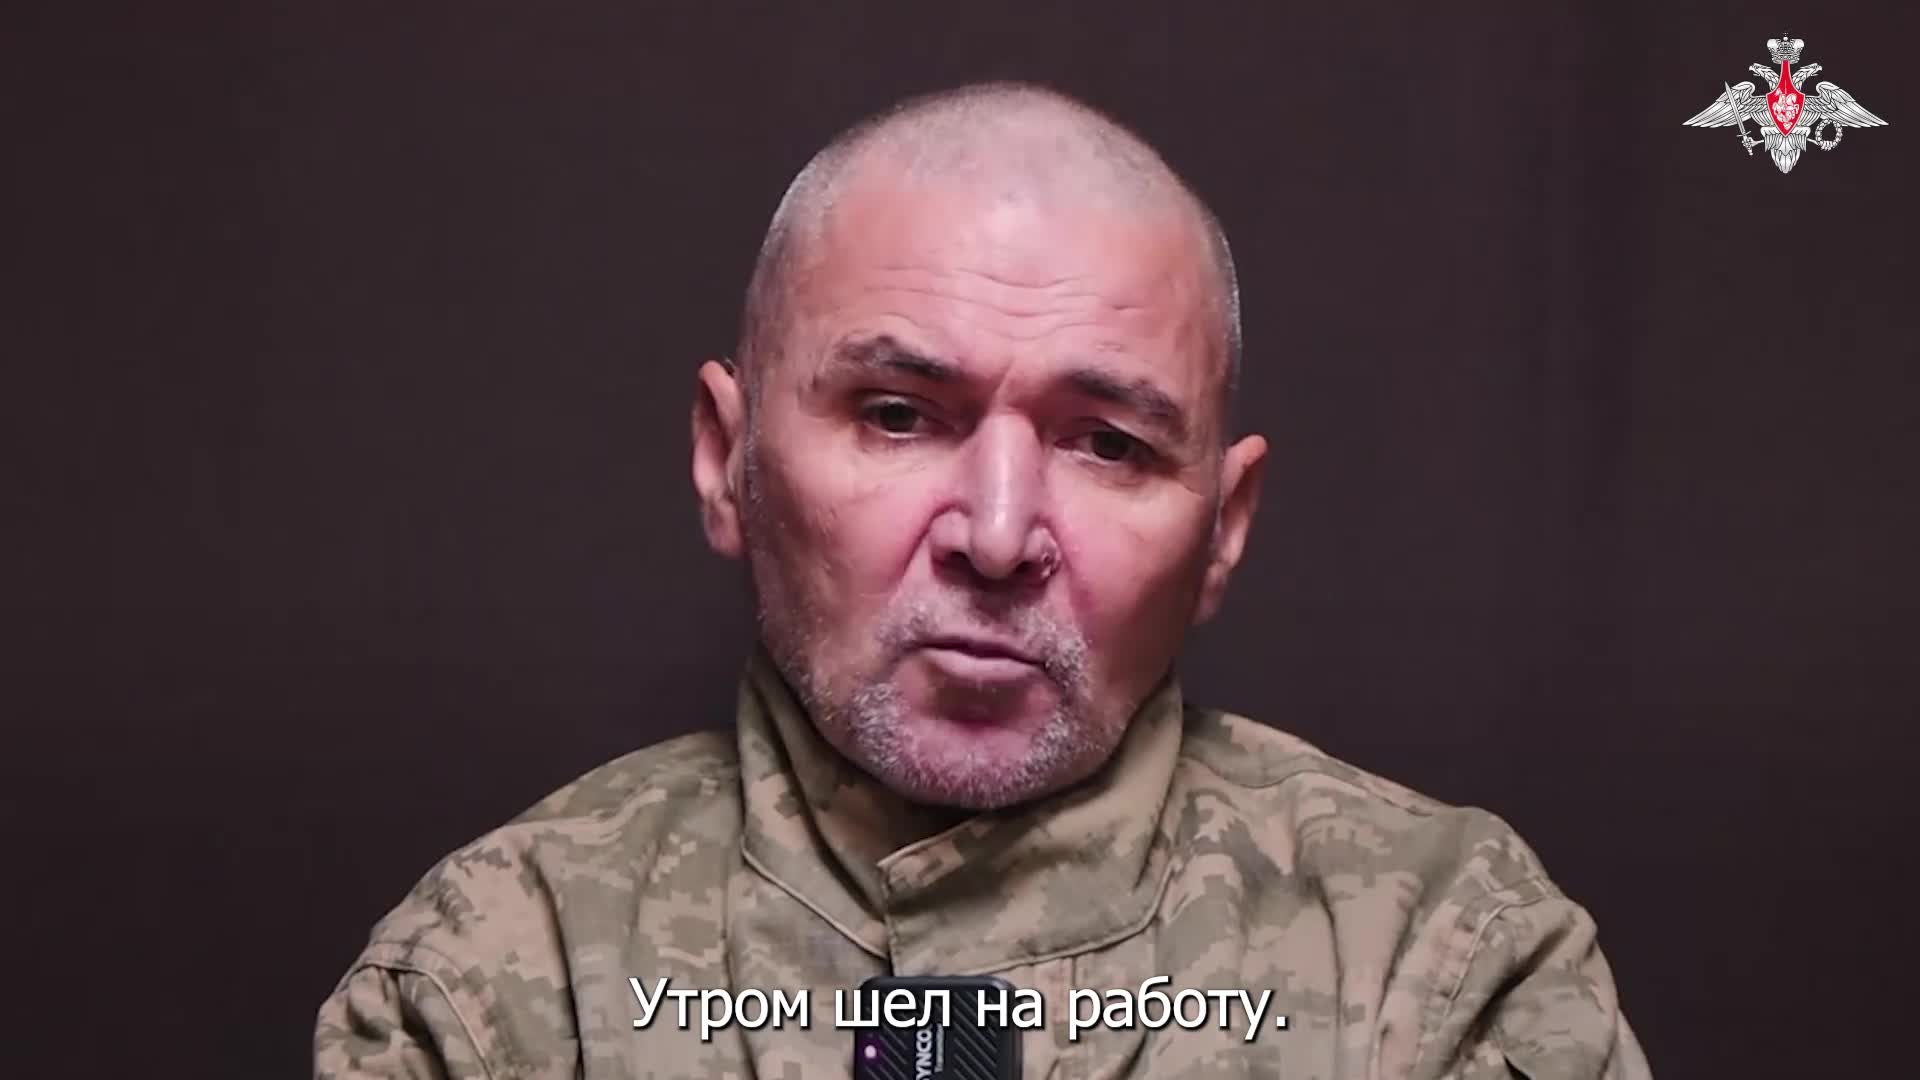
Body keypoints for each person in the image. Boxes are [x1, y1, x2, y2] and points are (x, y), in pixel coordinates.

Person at [315, 82, 1651, 1079]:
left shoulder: (1446, 962)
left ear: (1224, 529)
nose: (1000, 537)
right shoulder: (497, 977)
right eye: (898, 416)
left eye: (1108, 444)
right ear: (728, 461)